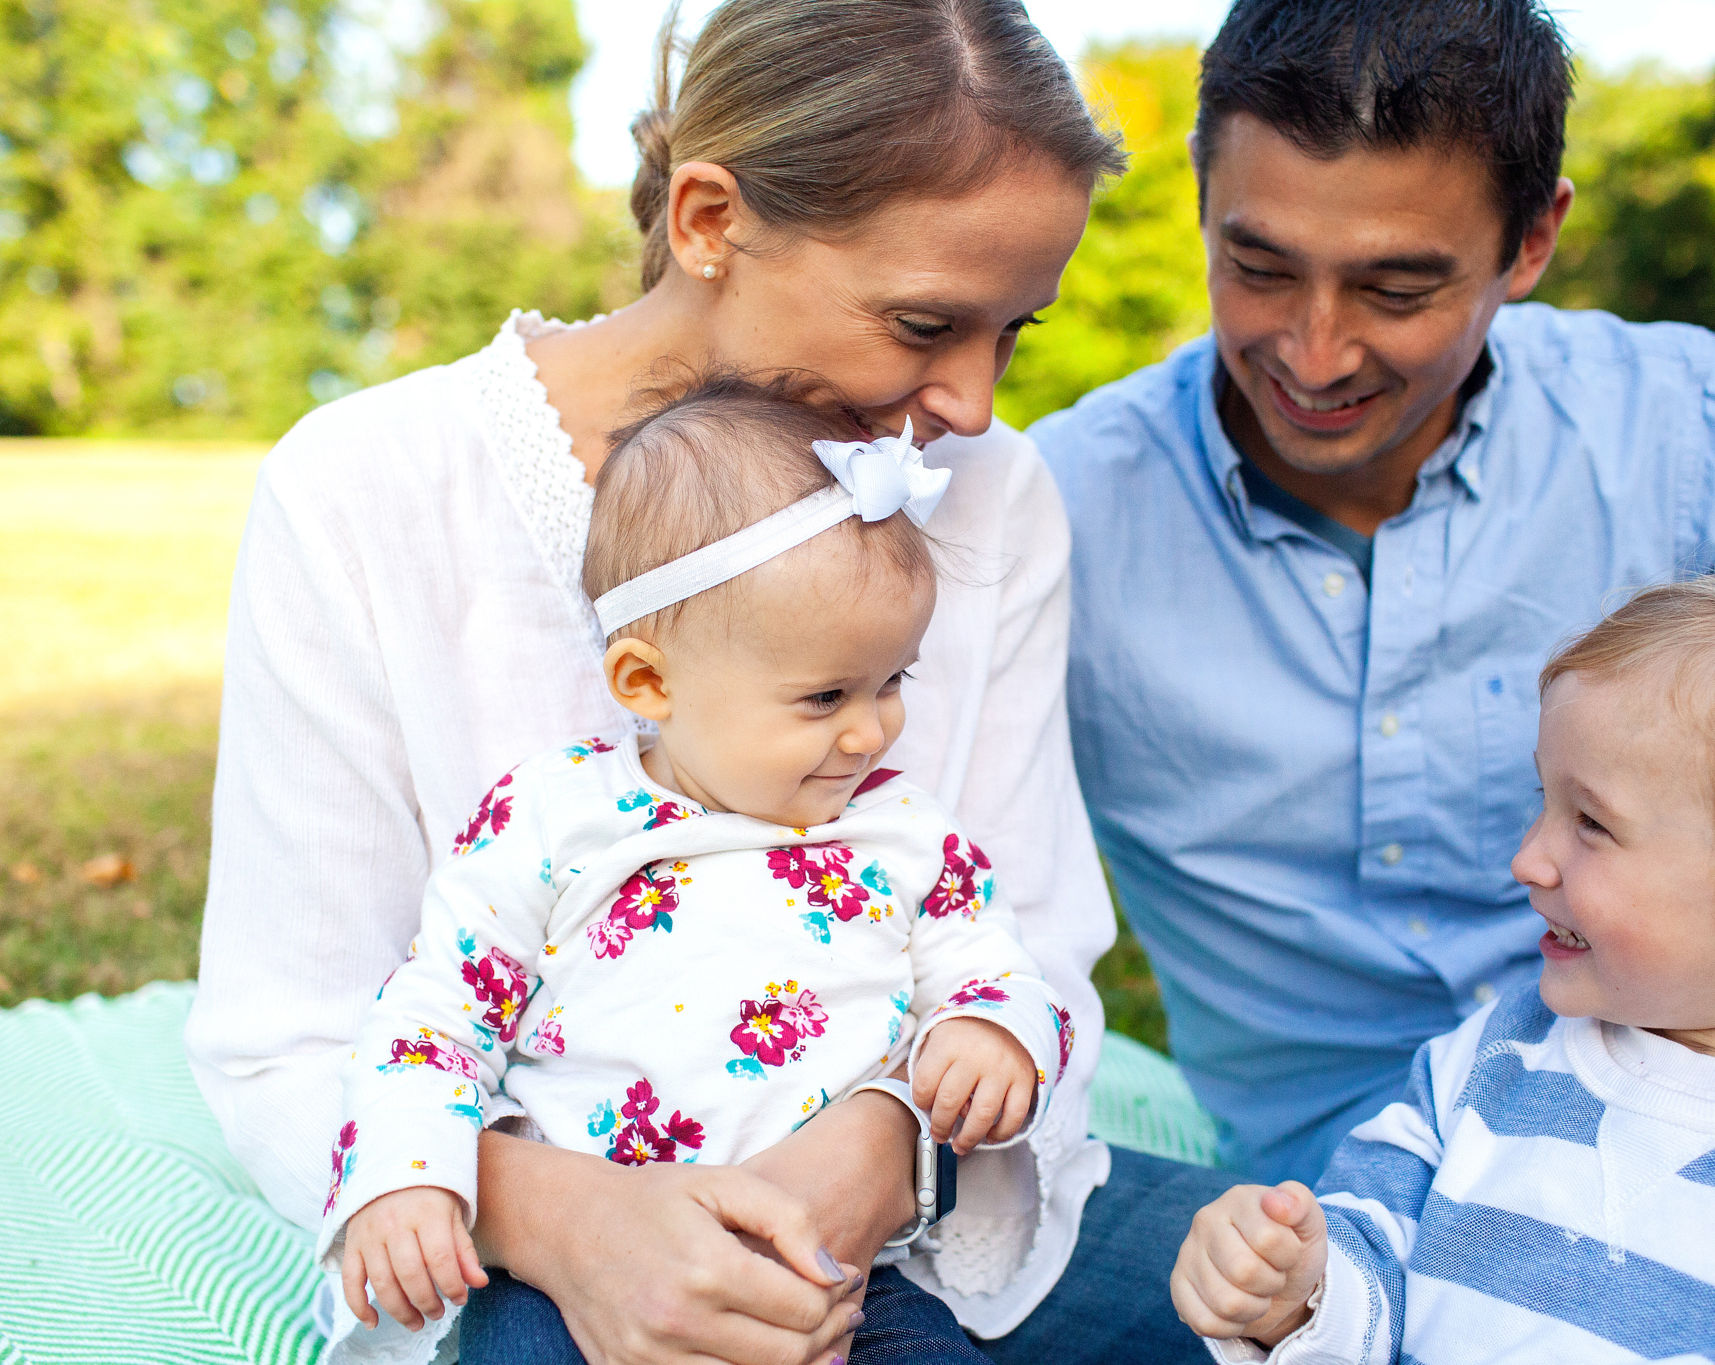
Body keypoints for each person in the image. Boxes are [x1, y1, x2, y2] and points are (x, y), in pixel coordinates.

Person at [184, 3, 1135, 1363]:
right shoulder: (367, 489)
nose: (974, 404)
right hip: (528, 1236)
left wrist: (876, 1150)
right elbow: (290, 1042)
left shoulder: (988, 493)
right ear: (705, 218)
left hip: (902, 1216)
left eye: (1013, 334)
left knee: (1296, 1297)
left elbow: (1021, 934)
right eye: (925, 320)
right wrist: (579, 1225)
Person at [1029, 0, 1715, 1196]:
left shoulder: (1684, 432)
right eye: (1258, 268)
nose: (1315, 351)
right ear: (1198, 199)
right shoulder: (1055, 514)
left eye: (1396, 290)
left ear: (1531, 240)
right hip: (1330, 1198)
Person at [324, 378, 1072, 1365]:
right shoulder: (554, 821)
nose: (871, 728)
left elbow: (994, 961)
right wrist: (409, 1177)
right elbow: (432, 1019)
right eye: (822, 696)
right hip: (577, 1285)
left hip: (838, 1282)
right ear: (647, 682)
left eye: (893, 680)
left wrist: (989, 1029)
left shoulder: (899, 829)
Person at [1172, 567, 1715, 1364]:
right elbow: (1370, 1264)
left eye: (1591, 822)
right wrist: (1300, 1293)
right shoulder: (1496, 1055)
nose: (1529, 859)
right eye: (1544, 799)